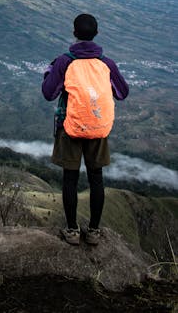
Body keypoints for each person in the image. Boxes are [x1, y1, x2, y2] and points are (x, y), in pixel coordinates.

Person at [42, 13, 129, 246]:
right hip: (98, 126)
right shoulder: (107, 63)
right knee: (96, 178)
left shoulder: (64, 61)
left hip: (70, 126)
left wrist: (48, 74)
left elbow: (48, 93)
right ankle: (93, 231)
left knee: (70, 179)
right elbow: (122, 92)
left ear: (74, 33)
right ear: (96, 34)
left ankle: (71, 231)